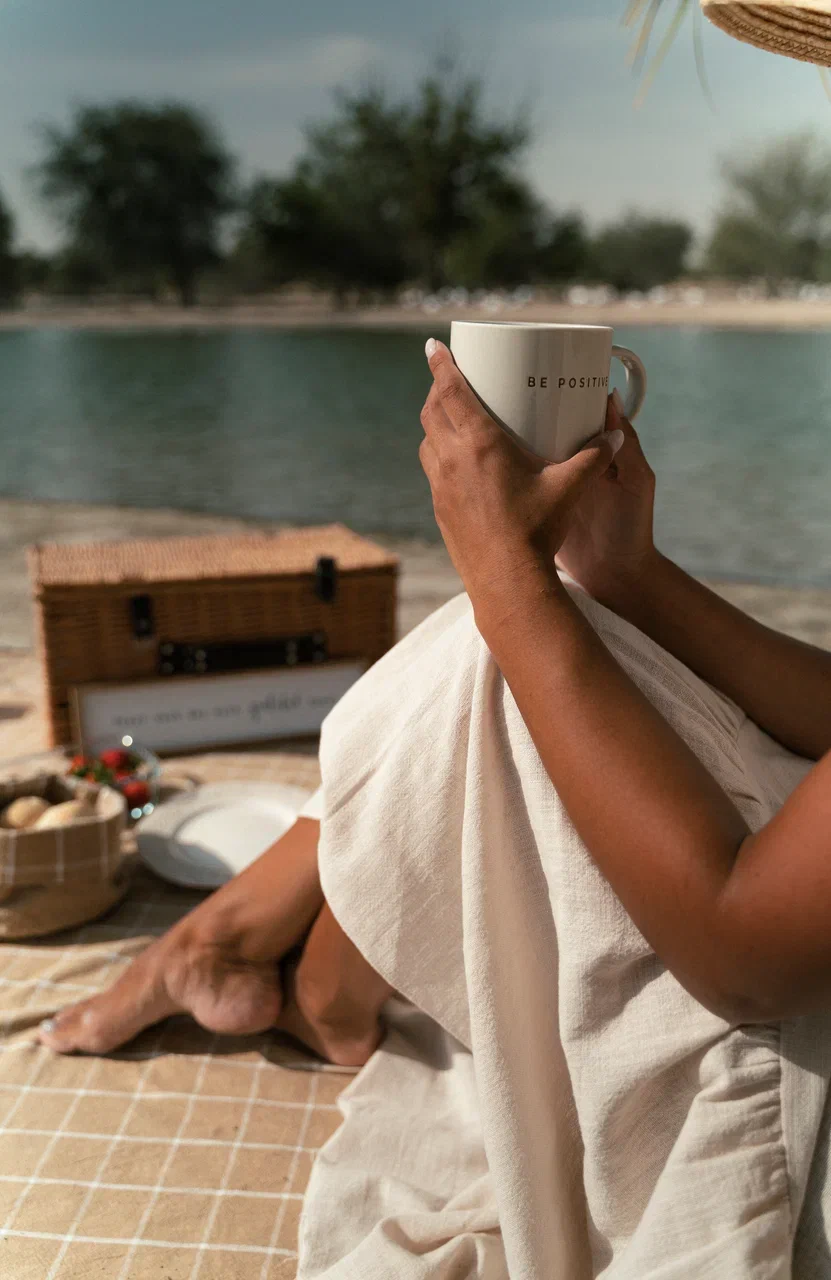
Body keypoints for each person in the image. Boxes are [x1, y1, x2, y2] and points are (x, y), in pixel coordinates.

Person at [37, 333, 831, 1062]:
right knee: (534, 631)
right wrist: (626, 573)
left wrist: (504, 578)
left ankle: (301, 984)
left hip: (778, 1012)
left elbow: (744, 966)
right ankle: (237, 950)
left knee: (497, 656)